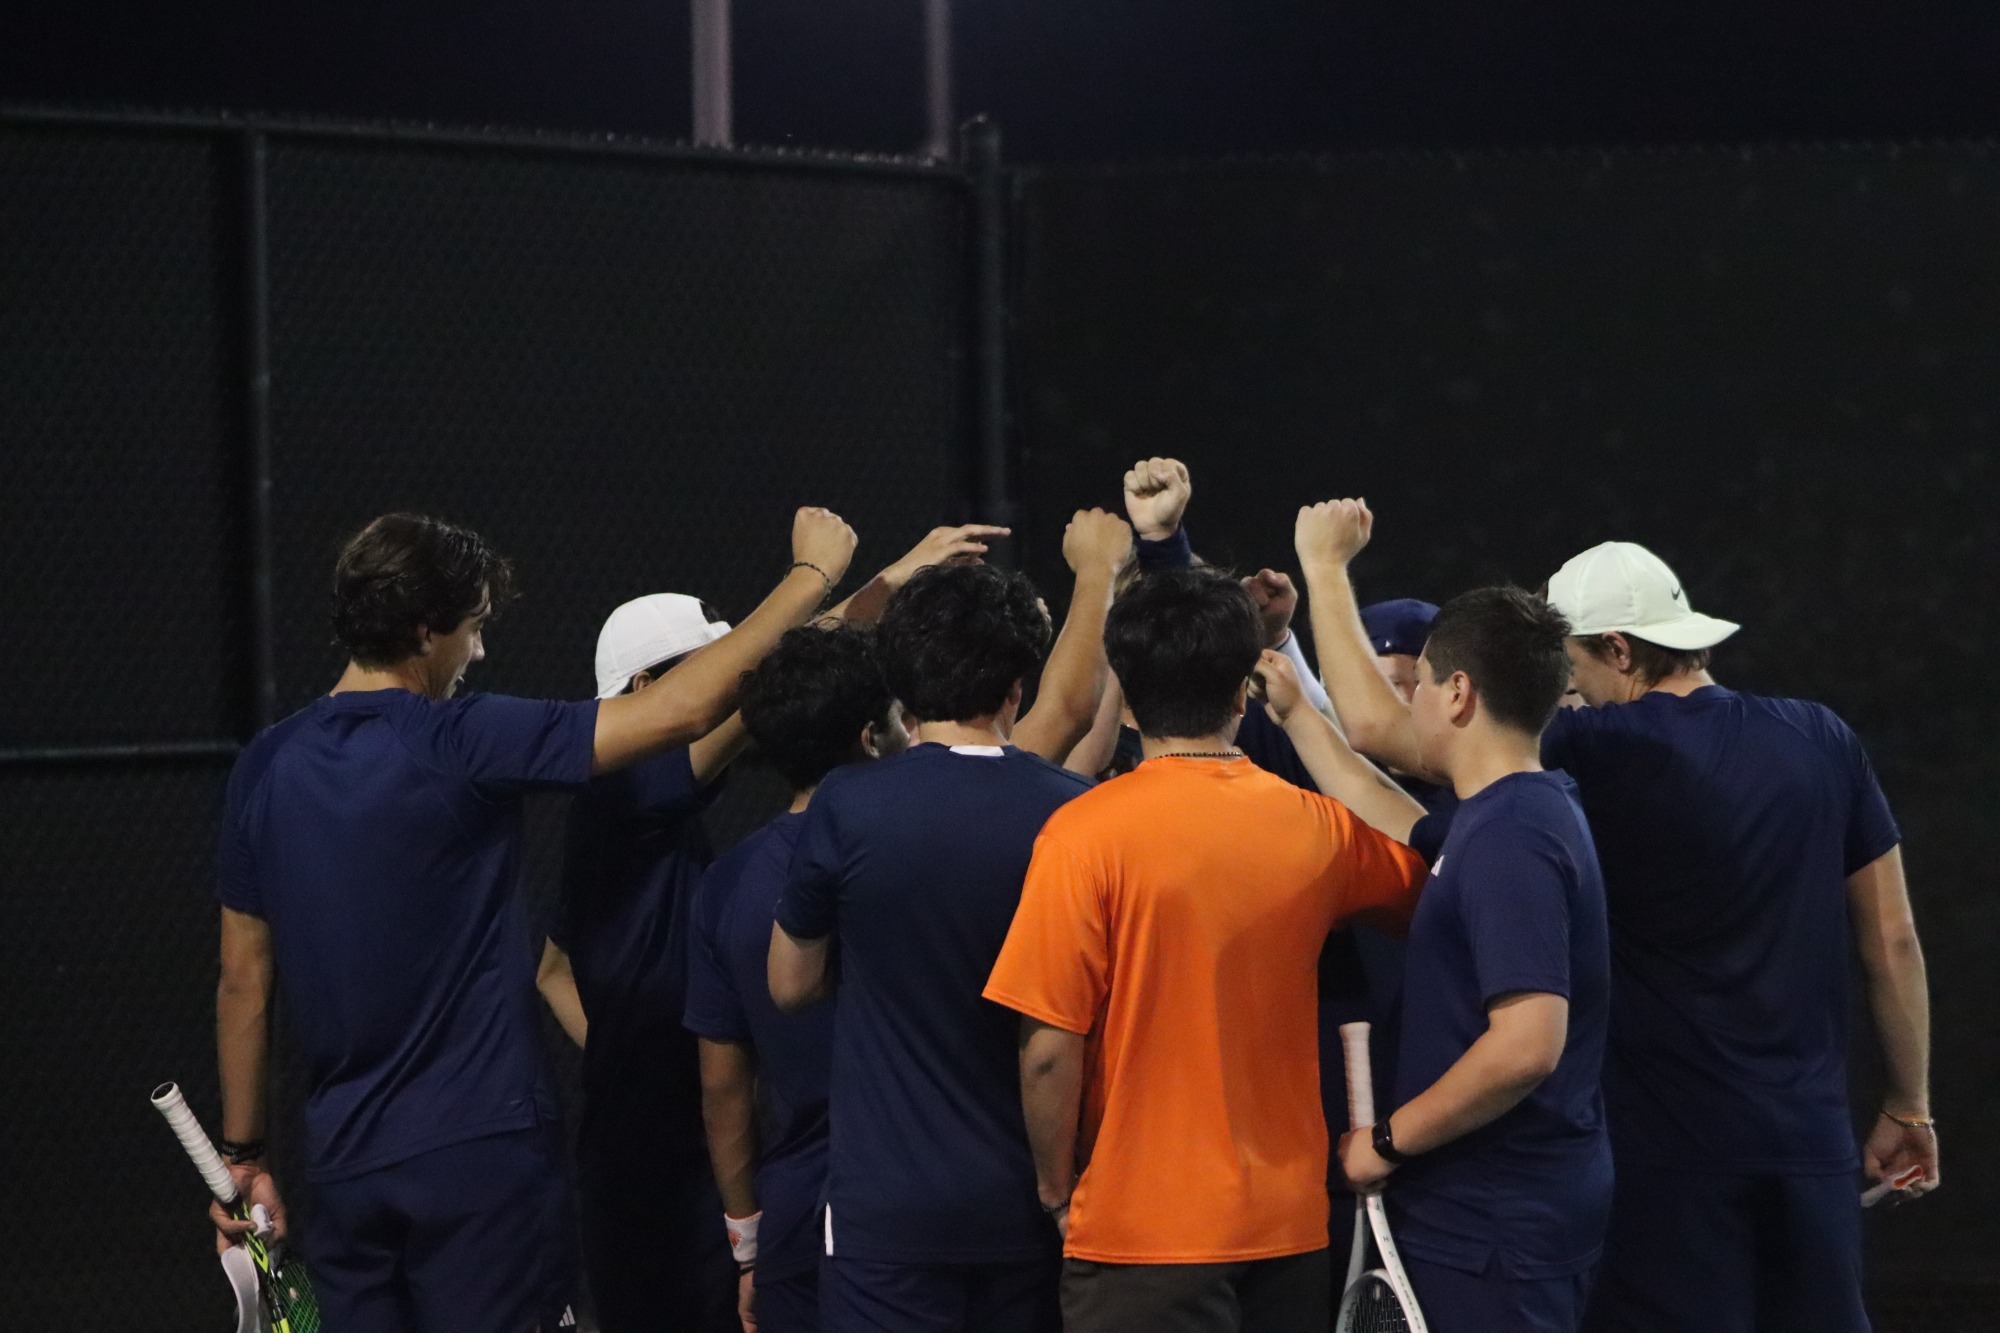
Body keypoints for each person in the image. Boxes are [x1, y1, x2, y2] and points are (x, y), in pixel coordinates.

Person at [211, 506, 857, 1332]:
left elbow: (243, 978)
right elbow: (683, 709)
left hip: (345, 1167)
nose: (478, 651)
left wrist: (245, 1155)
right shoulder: (462, 737)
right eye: (473, 627)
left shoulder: (263, 767)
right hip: (484, 1160)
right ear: (424, 631)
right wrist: (811, 575)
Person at [1302, 506, 1939, 1333]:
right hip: (1811, 1147)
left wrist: (1325, 569)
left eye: (1573, 662)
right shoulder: (1825, 738)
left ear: (1620, 650)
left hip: (1667, 1161)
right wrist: (1909, 1103)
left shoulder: (1596, 749)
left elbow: (1378, 729)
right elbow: (1892, 938)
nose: (1567, 687)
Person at [541, 525, 1006, 1333]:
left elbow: (550, 969)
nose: (730, 683)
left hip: (656, 1145)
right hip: (657, 1170)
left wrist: (634, 1047)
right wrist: (869, 579)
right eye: (710, 668)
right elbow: (770, 682)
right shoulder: (623, 789)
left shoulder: (630, 819)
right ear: (647, 687)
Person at [983, 568, 1430, 1333]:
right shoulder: (1317, 827)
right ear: (1240, 695)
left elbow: (1048, 1053)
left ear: (1127, 696)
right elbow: (1436, 879)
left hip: (1138, 1235)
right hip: (1286, 1228)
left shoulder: (1080, 836)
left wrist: (1056, 1190)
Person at [766, 508, 1133, 1333]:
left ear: (900, 689)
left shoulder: (848, 805)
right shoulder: (1072, 813)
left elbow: (788, 984)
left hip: (885, 1212)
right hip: (1026, 1201)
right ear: (1014, 688)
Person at [1276, 572, 1615, 1332]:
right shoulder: (1511, 809)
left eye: (1422, 681)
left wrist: (1386, 1143)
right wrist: (1298, 712)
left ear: (1458, 692)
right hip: (1496, 1210)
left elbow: (1526, 1045)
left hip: (1492, 1222)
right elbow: (1398, 819)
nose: (1411, 705)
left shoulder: (1511, 836)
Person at [684, 622, 909, 1333]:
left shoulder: (726, 883)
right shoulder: (916, 850)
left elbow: (723, 1088)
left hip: (796, 1221)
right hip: (917, 1211)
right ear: (871, 737)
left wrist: (748, 1247)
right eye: (901, 717)